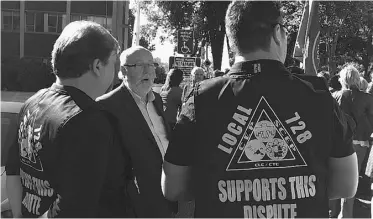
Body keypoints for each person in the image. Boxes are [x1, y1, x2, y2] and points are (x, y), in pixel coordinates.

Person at [161, 1, 358, 218]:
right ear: (276, 33)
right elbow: (345, 186)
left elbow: (173, 188)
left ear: (231, 38)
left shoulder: (201, 99)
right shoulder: (319, 97)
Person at [5, 21, 130, 217]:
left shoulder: (31, 103)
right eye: (113, 63)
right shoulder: (89, 120)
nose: (115, 74)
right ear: (97, 66)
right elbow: (72, 210)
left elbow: (13, 172)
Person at [96, 46, 177, 217]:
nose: (148, 71)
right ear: (124, 71)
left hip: (167, 196)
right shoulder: (106, 106)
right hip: (135, 205)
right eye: (140, 65)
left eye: (151, 65)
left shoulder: (157, 102)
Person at [331, 64, 373, 218]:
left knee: (335, 178)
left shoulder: (335, 96)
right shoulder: (368, 98)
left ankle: (334, 213)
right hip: (360, 143)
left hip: (338, 142)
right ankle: (346, 215)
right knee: (351, 183)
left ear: (343, 79)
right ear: (356, 79)